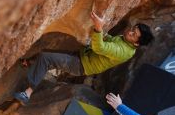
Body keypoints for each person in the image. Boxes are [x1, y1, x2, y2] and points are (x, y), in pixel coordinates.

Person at [14, 11, 154, 106]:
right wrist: (103, 32)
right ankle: (30, 63)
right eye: (132, 29)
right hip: (83, 55)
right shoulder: (125, 40)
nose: (130, 32)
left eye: (133, 34)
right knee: (50, 53)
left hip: (81, 65)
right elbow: (110, 40)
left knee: (47, 58)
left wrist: (98, 28)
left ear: (136, 43)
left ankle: (28, 93)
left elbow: (100, 48)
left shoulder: (124, 52)